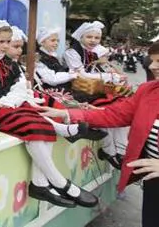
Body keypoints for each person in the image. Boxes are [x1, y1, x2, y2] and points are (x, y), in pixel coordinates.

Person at [0, 20, 98, 208]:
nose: (6, 45)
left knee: (39, 124)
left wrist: (5, 101)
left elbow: (20, 88)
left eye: (8, 42)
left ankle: (41, 183)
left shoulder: (10, 63)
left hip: (6, 106)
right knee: (33, 124)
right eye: (1, 42)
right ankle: (60, 182)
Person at [41, 40, 159, 227]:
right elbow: (115, 115)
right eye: (152, 60)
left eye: (158, 61)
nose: (152, 66)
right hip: (153, 180)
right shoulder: (149, 90)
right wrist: (68, 113)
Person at [64, 21, 129, 169]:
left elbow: (103, 69)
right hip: (81, 92)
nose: (93, 40)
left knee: (121, 113)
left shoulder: (96, 52)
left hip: (98, 90)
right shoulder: (72, 52)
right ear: (81, 36)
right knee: (104, 114)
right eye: (89, 37)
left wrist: (113, 75)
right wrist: (107, 77)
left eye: (96, 38)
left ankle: (121, 150)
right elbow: (81, 75)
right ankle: (110, 151)